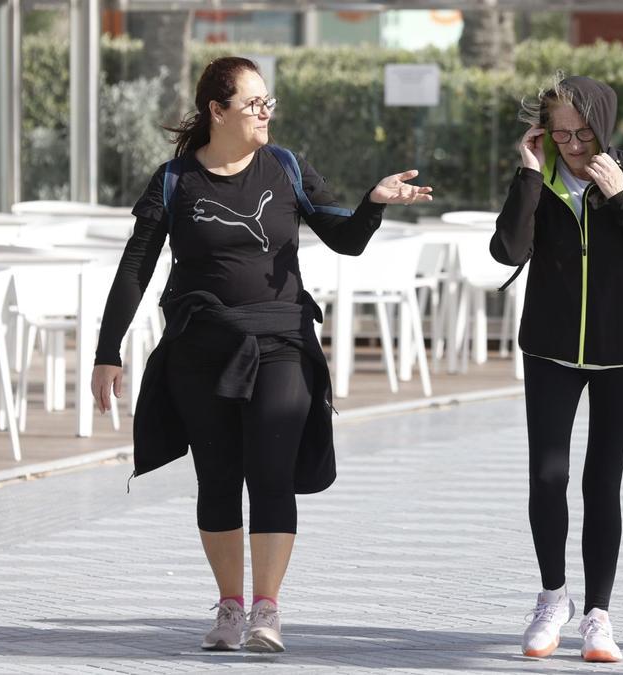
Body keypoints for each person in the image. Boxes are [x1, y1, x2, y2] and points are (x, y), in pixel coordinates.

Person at [91, 56, 432, 653]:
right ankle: (229, 608)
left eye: (268, 101)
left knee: (272, 472)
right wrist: (107, 351)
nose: (265, 112)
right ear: (216, 111)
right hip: (202, 347)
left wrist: (373, 202)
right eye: (253, 104)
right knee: (218, 479)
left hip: (282, 341)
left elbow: (344, 238)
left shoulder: (286, 167)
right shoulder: (175, 181)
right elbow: (136, 266)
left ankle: (267, 610)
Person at [491, 75, 623, 663]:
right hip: (549, 348)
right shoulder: (540, 178)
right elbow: (508, 250)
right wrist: (528, 173)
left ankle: (598, 614)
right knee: (547, 476)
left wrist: (622, 197)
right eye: (560, 133)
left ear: (604, 124)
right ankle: (553, 598)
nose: (572, 145)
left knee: (603, 482)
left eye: (583, 132)